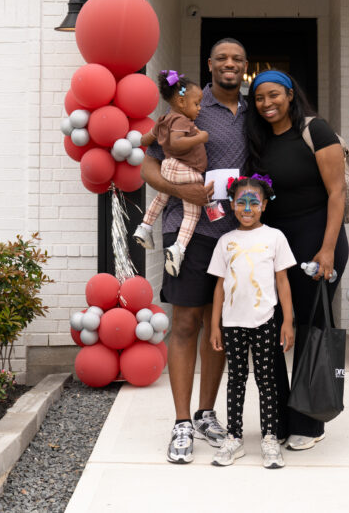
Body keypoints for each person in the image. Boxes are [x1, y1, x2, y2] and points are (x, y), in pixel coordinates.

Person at [140, 38, 249, 464]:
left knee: (218, 326)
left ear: (245, 67)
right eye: (221, 58)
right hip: (187, 230)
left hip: (236, 234)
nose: (229, 64)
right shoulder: (186, 107)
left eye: (237, 59)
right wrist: (178, 188)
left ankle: (207, 414)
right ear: (209, 64)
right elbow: (148, 161)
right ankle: (182, 422)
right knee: (185, 322)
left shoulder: (256, 112)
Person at [244, 69, 349, 451]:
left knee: (310, 326)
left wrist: (328, 249)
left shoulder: (315, 130)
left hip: (316, 241)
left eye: (274, 95)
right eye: (259, 98)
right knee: (269, 330)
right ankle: (280, 418)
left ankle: (309, 421)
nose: (267, 103)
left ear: (290, 95)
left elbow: (336, 193)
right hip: (271, 249)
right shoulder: (255, 140)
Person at [208, 175, 296, 469]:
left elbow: (282, 281)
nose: (247, 208)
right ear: (232, 205)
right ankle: (234, 437)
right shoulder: (226, 241)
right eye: (241, 202)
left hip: (265, 321)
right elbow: (219, 286)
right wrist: (214, 325)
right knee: (236, 379)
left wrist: (288, 321)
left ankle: (270, 437)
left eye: (253, 202)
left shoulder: (275, 237)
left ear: (264, 205)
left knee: (267, 381)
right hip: (232, 323)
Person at [133, 70, 209, 276]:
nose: (200, 108)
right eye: (197, 103)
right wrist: (200, 137)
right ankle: (179, 248)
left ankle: (145, 227)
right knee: (193, 212)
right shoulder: (182, 121)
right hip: (185, 168)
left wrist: (144, 139)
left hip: (169, 168)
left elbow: (144, 140)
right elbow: (177, 143)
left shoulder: (163, 119)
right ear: (182, 102)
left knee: (162, 196)